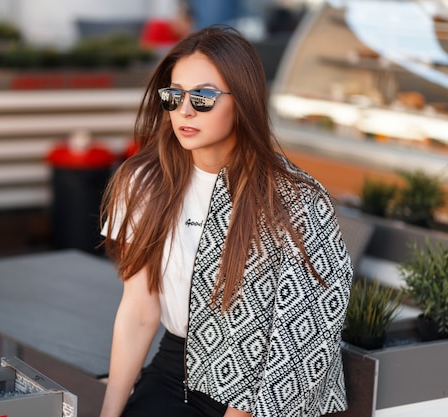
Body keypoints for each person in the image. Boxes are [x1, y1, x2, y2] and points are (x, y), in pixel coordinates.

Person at [99, 26, 353, 417]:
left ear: (244, 100)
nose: (184, 110)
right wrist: (110, 412)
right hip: (177, 369)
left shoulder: (297, 202)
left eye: (202, 97)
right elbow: (139, 309)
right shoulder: (144, 182)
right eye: (174, 95)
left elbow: (302, 343)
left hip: (269, 388)